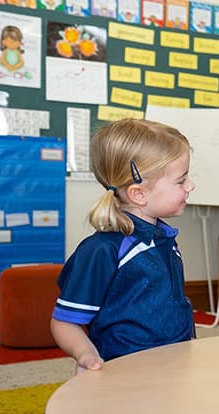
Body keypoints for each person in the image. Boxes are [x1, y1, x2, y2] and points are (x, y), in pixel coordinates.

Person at [50, 119, 197, 372]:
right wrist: (86, 355)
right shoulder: (102, 250)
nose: (190, 186)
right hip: (123, 372)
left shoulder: (164, 239)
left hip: (172, 368)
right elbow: (64, 323)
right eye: (181, 180)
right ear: (139, 194)